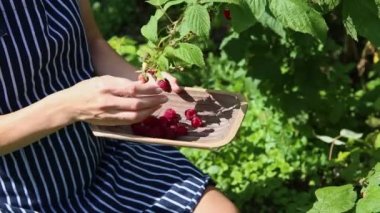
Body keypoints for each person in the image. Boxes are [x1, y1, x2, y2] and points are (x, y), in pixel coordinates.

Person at [0, 0, 239, 212]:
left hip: (108, 153)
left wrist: (141, 83)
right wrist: (69, 106)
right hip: (33, 197)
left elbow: (93, 42)